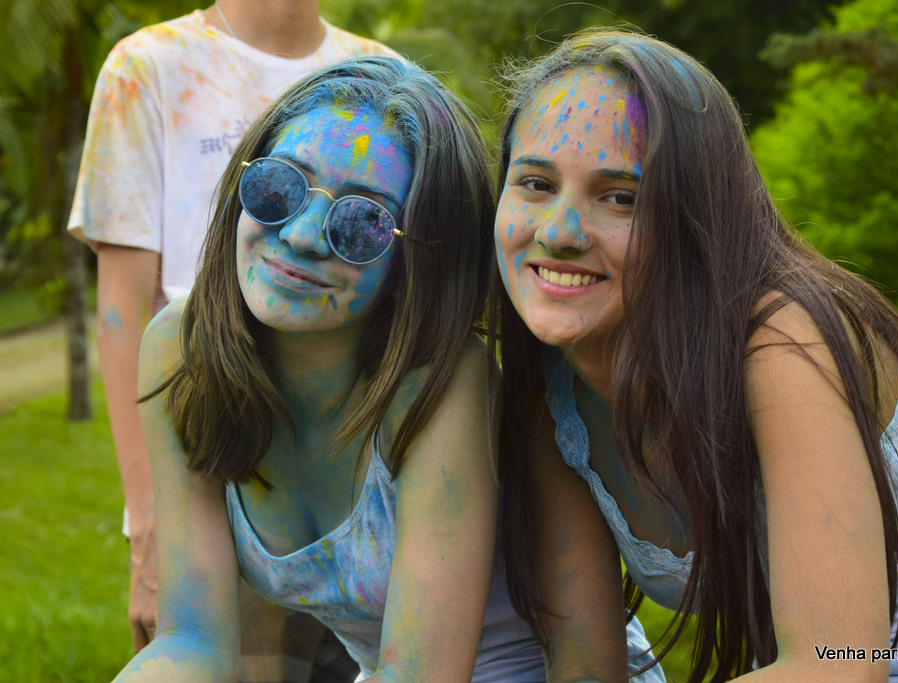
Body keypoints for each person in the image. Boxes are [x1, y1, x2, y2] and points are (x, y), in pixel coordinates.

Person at [492, 30, 898, 682]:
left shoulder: (781, 342)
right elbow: (585, 665)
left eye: (621, 196)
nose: (559, 232)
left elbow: (838, 668)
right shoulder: (550, 397)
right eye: (536, 183)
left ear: (698, 213)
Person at [114, 55, 662, 682]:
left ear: (418, 261)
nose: (302, 235)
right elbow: (193, 641)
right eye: (279, 187)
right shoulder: (180, 353)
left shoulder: (437, 382)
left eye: (363, 221)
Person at [67, 1, 396, 678]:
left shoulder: (381, 73)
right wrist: (148, 522)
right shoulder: (147, 66)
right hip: (220, 470)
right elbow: (122, 311)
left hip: (363, 475)